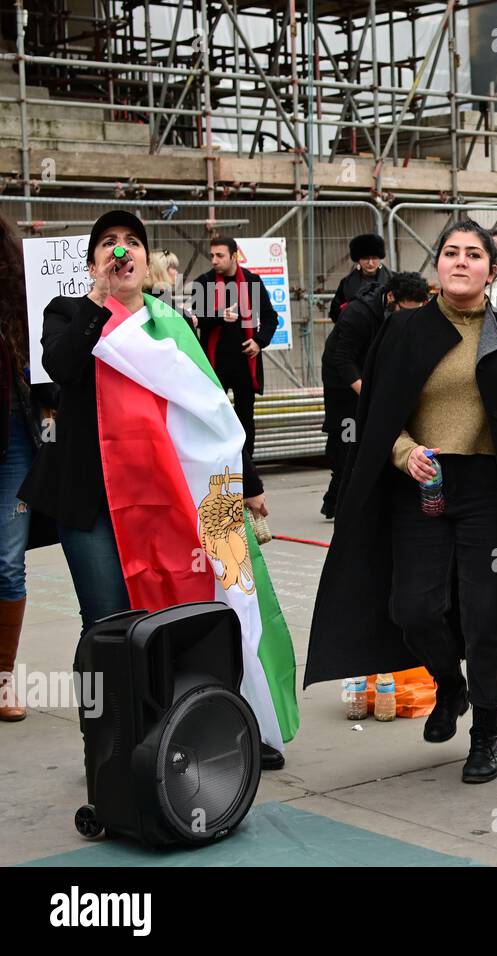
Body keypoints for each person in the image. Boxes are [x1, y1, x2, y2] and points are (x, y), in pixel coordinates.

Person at [304, 219, 497, 783]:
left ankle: (486, 731)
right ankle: (450, 686)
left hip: (492, 494)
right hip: (424, 488)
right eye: (451, 252)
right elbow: (376, 416)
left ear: (492, 269)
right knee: (413, 608)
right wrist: (403, 454)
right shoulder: (403, 333)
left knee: (486, 614)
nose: (461, 262)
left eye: (475, 254)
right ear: (438, 265)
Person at [18, 211, 289, 766]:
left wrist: (248, 482)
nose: (121, 251)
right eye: (108, 244)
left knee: (193, 611)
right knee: (110, 626)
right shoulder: (68, 312)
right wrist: (99, 301)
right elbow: (61, 367)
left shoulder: (171, 323)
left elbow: (210, 409)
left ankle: (211, 727)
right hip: (92, 501)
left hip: (175, 499)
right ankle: (112, 751)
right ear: (92, 263)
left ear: (147, 261)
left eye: (132, 243)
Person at [0, 212, 57, 722]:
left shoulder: (19, 282)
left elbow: (43, 363)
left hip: (13, 435)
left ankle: (2, 678)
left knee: (6, 560)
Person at [319, 271, 431, 519]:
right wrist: (369, 394)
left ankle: (350, 499)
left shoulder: (407, 313)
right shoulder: (357, 314)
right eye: (404, 310)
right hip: (343, 382)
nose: (408, 317)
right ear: (391, 297)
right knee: (347, 439)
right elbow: (342, 358)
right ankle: (338, 501)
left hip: (374, 374)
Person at [191, 237, 278, 498]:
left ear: (234, 256)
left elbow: (271, 318)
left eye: (219, 255)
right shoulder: (203, 282)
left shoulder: (252, 281)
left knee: (245, 418)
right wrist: (220, 316)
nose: (214, 260)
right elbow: (196, 319)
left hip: (245, 361)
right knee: (214, 418)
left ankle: (246, 473)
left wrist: (259, 342)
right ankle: (216, 470)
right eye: (212, 256)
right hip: (215, 361)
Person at [328, 233, 390, 323]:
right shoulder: (346, 283)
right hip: (357, 332)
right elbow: (335, 313)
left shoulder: (393, 280)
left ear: (380, 258)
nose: (370, 263)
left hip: (386, 332)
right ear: (358, 259)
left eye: (374, 258)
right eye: (365, 258)